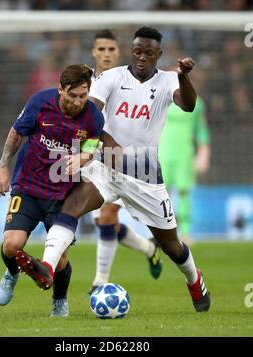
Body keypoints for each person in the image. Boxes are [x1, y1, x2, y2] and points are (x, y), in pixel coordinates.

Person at [17, 27, 211, 313]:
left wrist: (183, 76)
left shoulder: (170, 80)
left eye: (148, 52)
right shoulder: (111, 78)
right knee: (69, 207)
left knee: (170, 244)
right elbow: (91, 110)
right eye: (137, 51)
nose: (142, 57)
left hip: (143, 172)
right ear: (131, 51)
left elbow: (189, 104)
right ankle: (46, 267)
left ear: (159, 54)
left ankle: (194, 280)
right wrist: (87, 149)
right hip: (104, 165)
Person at [0, 64, 105, 317]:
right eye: (73, 95)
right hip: (28, 187)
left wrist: (82, 159)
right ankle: (12, 273)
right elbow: (16, 134)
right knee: (12, 245)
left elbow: (90, 149)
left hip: (63, 196)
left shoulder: (94, 118)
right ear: (60, 89)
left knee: (60, 259)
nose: (78, 102)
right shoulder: (39, 103)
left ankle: (59, 299)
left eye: (83, 95)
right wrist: (2, 168)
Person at [89, 29, 162, 294]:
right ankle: (148, 247)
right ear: (93, 52)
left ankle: (100, 281)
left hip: (125, 160)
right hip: (90, 156)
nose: (107, 54)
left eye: (111, 49)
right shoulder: (85, 80)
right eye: (101, 50)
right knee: (104, 223)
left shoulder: (126, 77)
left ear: (119, 52)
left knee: (108, 215)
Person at [159, 96, 211, 243]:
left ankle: (185, 233)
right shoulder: (162, 98)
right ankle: (163, 231)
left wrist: (204, 153)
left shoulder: (197, 102)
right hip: (162, 152)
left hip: (185, 154)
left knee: (184, 191)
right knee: (161, 192)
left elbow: (201, 129)